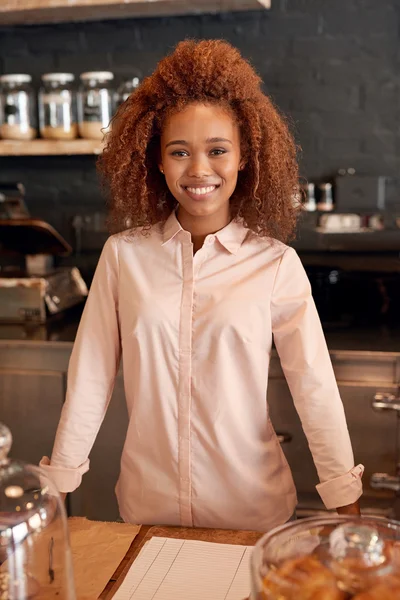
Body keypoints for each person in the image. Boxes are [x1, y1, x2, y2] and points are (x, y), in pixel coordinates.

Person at [40, 40, 363, 532]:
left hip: (251, 512)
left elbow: (313, 387)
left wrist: (346, 502)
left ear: (243, 157)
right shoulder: (124, 256)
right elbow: (90, 377)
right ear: (158, 161)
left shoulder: (275, 264)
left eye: (217, 151)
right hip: (146, 508)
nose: (199, 171)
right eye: (179, 152)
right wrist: (56, 490)